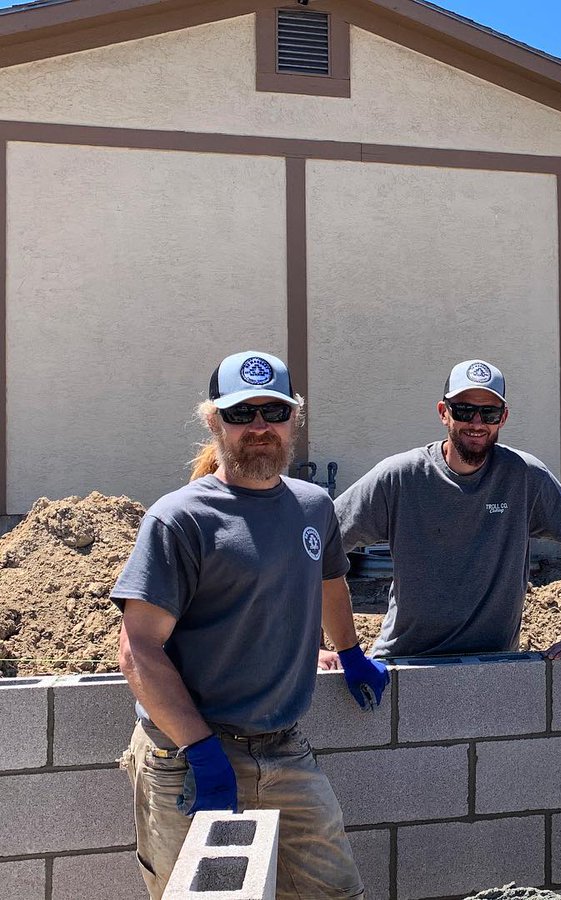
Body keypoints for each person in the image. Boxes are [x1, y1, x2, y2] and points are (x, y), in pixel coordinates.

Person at [113, 350, 389, 900]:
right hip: (187, 758)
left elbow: (330, 580)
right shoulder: (181, 518)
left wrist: (351, 650)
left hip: (283, 748)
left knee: (337, 893)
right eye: (242, 414)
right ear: (214, 421)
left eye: (273, 411)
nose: (259, 427)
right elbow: (138, 649)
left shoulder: (313, 508)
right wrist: (199, 750)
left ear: (294, 418)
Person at [335, 358, 561, 659]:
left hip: (494, 665)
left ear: (503, 418)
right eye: (464, 410)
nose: (476, 423)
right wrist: (320, 645)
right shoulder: (401, 477)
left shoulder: (524, 477)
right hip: (407, 664)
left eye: (489, 412)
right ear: (443, 413)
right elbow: (321, 542)